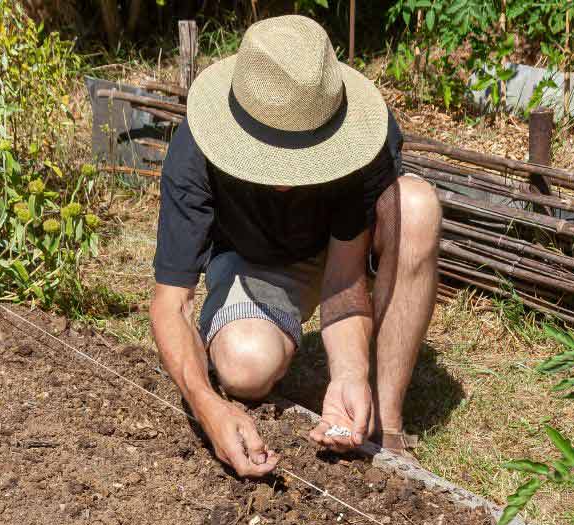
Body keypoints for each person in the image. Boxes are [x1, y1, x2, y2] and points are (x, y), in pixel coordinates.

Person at [150, 15, 441, 478]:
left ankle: (386, 425)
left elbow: (344, 277)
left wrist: (347, 373)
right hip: (253, 260)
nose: (285, 175)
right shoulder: (195, 148)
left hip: (336, 250)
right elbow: (172, 304)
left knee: (417, 206)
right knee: (244, 367)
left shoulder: (364, 138)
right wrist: (208, 406)